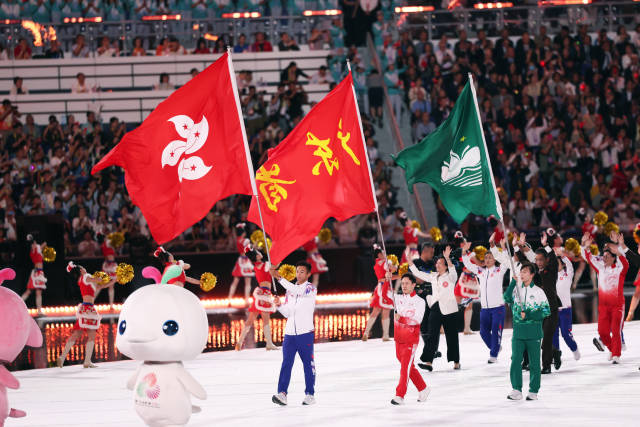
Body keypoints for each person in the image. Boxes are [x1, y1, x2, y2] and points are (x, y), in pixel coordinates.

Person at [270, 261, 317, 406]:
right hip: (289, 334)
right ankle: (282, 393)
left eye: (302, 271)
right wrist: (279, 305)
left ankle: (310, 394)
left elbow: (299, 291)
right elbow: (287, 313)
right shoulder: (289, 291)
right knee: (286, 364)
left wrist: (279, 278)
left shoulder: (310, 288)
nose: (299, 274)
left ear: (308, 274)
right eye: (297, 271)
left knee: (308, 364)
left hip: (305, 333)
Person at [504, 263, 551, 401]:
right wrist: (512, 283)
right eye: (521, 271)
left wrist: (529, 314)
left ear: (532, 274)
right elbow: (506, 298)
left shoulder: (538, 292)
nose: (522, 274)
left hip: (533, 333)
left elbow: (546, 311)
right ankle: (516, 389)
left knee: (534, 363)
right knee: (515, 360)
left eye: (525, 272)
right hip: (518, 333)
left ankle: (533, 391)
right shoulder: (516, 289)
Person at [462, 235, 511, 363]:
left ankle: (493, 355)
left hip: (498, 308)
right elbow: (468, 263)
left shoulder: (500, 270)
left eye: (490, 257)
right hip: (485, 309)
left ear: (495, 259)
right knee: (483, 332)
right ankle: (496, 347)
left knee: (496, 331)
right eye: (486, 257)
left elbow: (506, 261)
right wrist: (465, 252)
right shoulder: (480, 271)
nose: (488, 259)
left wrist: (504, 249)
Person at [409, 246, 460, 371]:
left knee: (452, 336)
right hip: (436, 307)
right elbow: (418, 273)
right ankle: (428, 362)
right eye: (437, 263)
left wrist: (447, 258)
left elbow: (453, 270)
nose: (437, 265)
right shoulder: (433, 276)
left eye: (440, 263)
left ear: (446, 266)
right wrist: (410, 261)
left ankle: (456, 361)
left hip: (449, 309)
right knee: (432, 335)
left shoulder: (451, 276)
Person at [581, 233, 628, 363]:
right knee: (602, 332)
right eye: (604, 256)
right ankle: (612, 349)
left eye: (607, 256)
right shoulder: (600, 268)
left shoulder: (620, 269)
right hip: (603, 307)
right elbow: (588, 257)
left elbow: (625, 262)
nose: (604, 258)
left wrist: (618, 248)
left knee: (616, 331)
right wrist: (585, 246)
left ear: (614, 258)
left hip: (617, 306)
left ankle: (616, 355)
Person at [57, 262, 109, 368]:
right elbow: (98, 280)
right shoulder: (86, 276)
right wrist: (106, 276)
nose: (85, 268)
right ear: (81, 270)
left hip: (85, 308)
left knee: (77, 334)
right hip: (89, 310)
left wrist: (114, 280)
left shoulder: (81, 280)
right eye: (83, 267)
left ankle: (63, 357)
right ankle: (86, 361)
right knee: (91, 335)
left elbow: (101, 286)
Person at [391, 273, 430, 405]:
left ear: (414, 285)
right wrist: (387, 278)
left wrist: (401, 318)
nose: (404, 286)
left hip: (410, 340)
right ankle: (423, 388)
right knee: (408, 366)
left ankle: (400, 395)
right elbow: (385, 293)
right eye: (402, 283)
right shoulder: (397, 298)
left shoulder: (420, 302)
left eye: (407, 283)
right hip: (398, 338)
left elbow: (417, 320)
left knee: (404, 368)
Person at [528, 231, 560, 374]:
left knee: (546, 338)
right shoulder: (534, 273)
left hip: (551, 310)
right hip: (538, 311)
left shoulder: (551, 271)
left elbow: (553, 259)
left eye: (541, 260)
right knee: (539, 339)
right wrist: (516, 247)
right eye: (537, 260)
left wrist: (546, 245)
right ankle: (555, 352)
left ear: (546, 260)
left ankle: (546, 366)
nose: (539, 262)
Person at [235, 248, 277, 351]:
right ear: (257, 256)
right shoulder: (265, 265)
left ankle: (239, 342)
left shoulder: (256, 266)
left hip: (260, 293)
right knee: (266, 319)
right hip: (265, 294)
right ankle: (269, 344)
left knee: (250, 319)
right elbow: (274, 267)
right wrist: (280, 258)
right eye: (258, 252)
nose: (260, 253)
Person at [362, 244, 395, 341]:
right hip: (384, 288)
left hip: (379, 288)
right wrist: (394, 266)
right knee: (386, 312)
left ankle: (366, 332)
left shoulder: (377, 263)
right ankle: (385, 335)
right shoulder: (384, 263)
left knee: (375, 311)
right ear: (379, 254)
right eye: (383, 253)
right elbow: (393, 270)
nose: (385, 254)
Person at [228, 223, 254, 306]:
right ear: (243, 233)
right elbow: (250, 250)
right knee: (247, 282)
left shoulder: (238, 240)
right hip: (245, 261)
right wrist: (256, 245)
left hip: (240, 260)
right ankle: (246, 301)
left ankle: (229, 300)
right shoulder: (245, 240)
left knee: (235, 282)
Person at [21, 234, 47, 315]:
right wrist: (32, 240)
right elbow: (44, 244)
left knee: (38, 292)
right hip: (36, 274)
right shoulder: (34, 251)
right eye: (32, 244)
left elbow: (44, 244)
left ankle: (39, 311)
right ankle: (17, 304)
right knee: (29, 291)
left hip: (40, 273)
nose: (34, 244)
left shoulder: (37, 250)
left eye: (34, 243)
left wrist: (33, 239)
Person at [95, 233, 118, 308]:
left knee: (110, 286)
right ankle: (90, 302)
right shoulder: (105, 244)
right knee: (100, 285)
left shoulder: (107, 245)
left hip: (111, 265)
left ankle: (111, 305)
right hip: (107, 265)